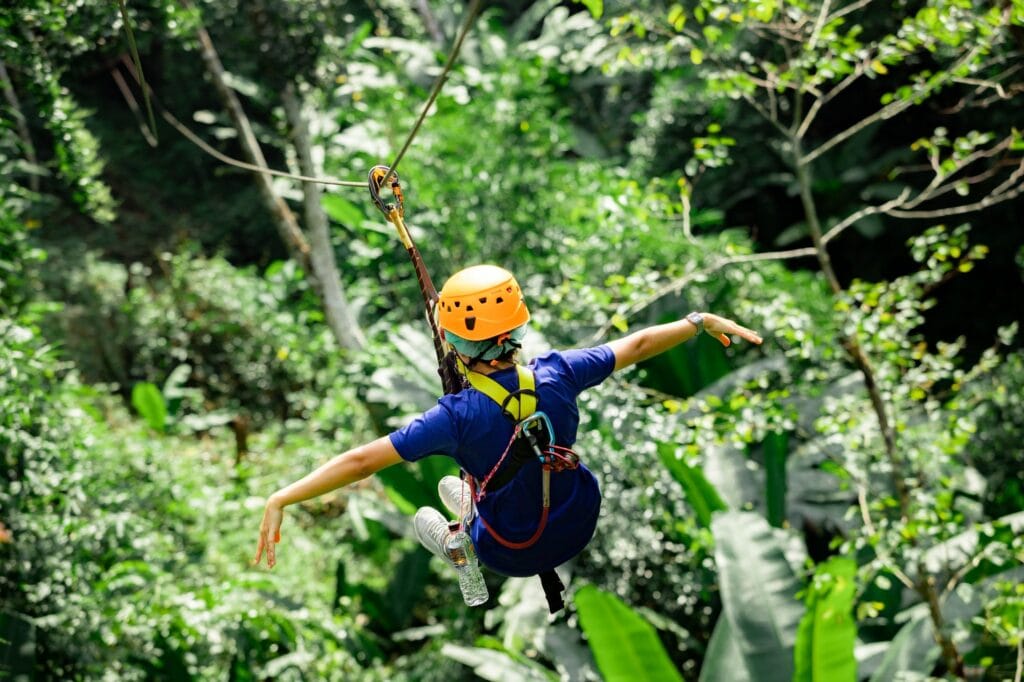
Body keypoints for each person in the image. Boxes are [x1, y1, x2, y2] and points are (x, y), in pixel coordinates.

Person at [252, 265, 763, 596]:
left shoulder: (454, 416)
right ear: (519, 327)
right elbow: (639, 345)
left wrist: (283, 496)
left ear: (452, 344)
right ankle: (472, 510)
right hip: (575, 520)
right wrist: (698, 320)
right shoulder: (560, 373)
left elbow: (362, 461)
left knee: (434, 508)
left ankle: (460, 544)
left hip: (509, 550)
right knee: (472, 480)